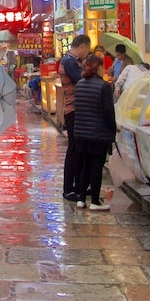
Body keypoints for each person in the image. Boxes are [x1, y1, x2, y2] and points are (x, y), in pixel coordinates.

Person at [73, 54, 117, 211]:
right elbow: (108, 112)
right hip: (98, 134)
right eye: (103, 66)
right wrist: (113, 129)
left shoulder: (80, 84)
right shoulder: (103, 86)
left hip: (81, 133)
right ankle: (95, 202)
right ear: (98, 68)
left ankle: (81, 199)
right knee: (96, 167)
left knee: (85, 166)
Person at [60, 34, 92, 202]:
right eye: (87, 49)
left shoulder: (72, 61)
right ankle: (68, 189)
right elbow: (82, 80)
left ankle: (79, 186)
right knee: (73, 150)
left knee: (78, 150)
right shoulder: (69, 62)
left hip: (76, 110)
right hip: (73, 110)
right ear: (83, 46)